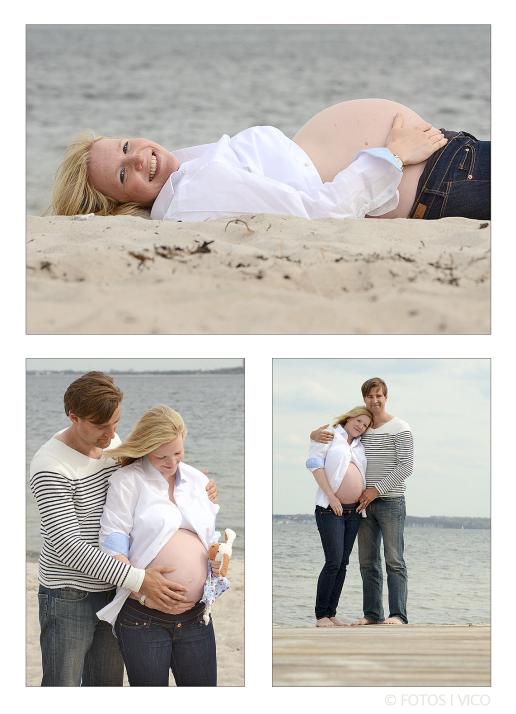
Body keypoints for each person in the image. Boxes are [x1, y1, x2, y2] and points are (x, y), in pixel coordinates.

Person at [29, 372, 217, 687]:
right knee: (62, 685)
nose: (111, 435)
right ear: (73, 417)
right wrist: (140, 580)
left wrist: (198, 486)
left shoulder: (110, 441)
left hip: (114, 589)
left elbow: (149, 474)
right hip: (69, 593)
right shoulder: (50, 467)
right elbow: (67, 547)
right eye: (101, 426)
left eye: (116, 422)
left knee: (106, 685)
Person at [50, 98, 490, 222]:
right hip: (437, 176)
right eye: (123, 174)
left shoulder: (182, 172)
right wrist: (393, 153)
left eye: (127, 145)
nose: (140, 158)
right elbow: (322, 210)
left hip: (443, 165)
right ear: (121, 204)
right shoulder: (191, 193)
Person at [96, 405, 225, 687]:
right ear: (145, 448)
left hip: (197, 616)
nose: (172, 463)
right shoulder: (126, 481)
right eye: (161, 456)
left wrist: (217, 559)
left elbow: (209, 536)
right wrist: (142, 588)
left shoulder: (197, 480)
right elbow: (112, 544)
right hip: (143, 617)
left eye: (178, 453)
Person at [310, 377, 413, 625]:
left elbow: (406, 466)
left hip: (389, 501)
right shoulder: (361, 432)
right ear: (364, 399)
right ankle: (372, 614)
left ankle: (397, 615)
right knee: (367, 562)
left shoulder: (400, 428)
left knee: (394, 560)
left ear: (386, 397)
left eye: (379, 396)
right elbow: (329, 442)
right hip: (362, 505)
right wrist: (313, 434)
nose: (374, 400)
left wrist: (375, 490)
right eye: (370, 396)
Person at [306, 406, 373, 628]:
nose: (360, 426)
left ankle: (331, 613)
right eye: (359, 420)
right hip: (330, 508)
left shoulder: (359, 445)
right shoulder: (329, 434)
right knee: (333, 561)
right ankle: (320, 615)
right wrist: (332, 497)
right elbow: (314, 464)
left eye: (365, 425)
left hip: (353, 511)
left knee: (343, 563)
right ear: (350, 416)